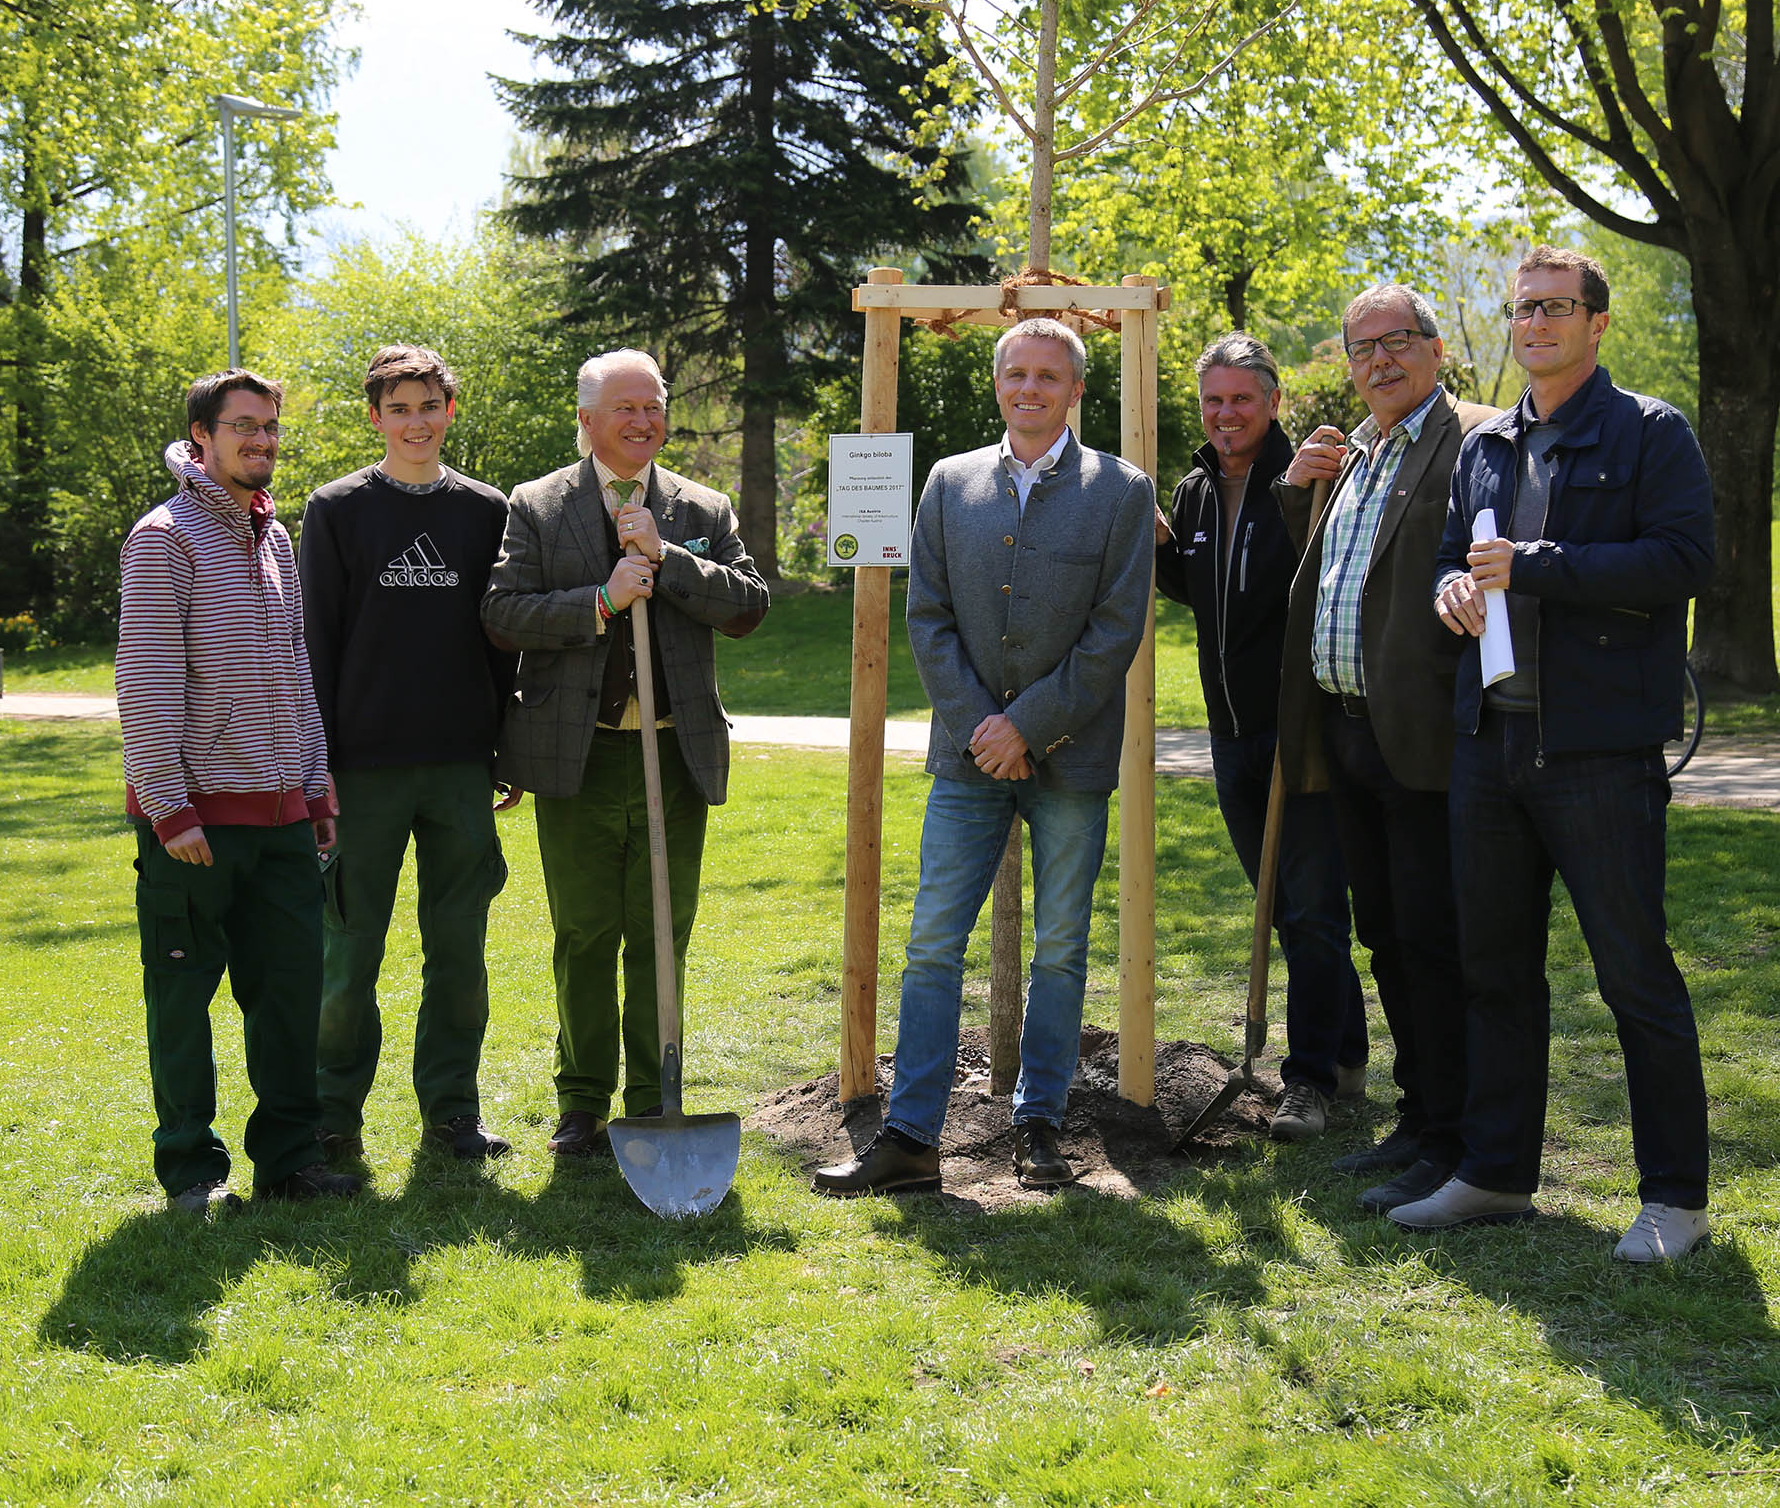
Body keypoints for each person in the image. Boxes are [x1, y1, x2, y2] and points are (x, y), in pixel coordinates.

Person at [1392, 244, 1717, 1264]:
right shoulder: (1487, 446)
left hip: (1599, 752)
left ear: (1596, 323)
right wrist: (1454, 587)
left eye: (1554, 308)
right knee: (1492, 970)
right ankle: (1492, 1173)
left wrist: (1535, 566)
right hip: (1490, 742)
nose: (1534, 323)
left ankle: (1675, 1199)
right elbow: (1456, 556)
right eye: (1522, 308)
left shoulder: (1650, 431)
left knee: (1635, 977)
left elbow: (1682, 561)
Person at [814, 317, 1156, 1197]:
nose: (1030, 388)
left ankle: (1041, 1126)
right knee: (931, 945)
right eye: (1016, 374)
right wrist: (982, 726)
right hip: (968, 760)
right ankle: (911, 1136)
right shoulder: (947, 481)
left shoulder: (1121, 491)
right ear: (997, 383)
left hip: (1072, 760)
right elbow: (926, 612)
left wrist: (1028, 726)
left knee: (1061, 948)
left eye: (1049, 375)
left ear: (1077, 390)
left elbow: (1115, 631)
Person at [480, 349, 769, 1160]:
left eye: (654, 405)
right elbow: (503, 613)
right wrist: (603, 599)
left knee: (660, 932)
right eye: (625, 408)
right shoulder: (538, 506)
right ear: (587, 419)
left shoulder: (701, 508)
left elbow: (749, 606)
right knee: (584, 933)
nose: (643, 420)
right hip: (582, 758)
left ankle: (652, 1095)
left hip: (674, 757)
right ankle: (581, 1102)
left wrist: (669, 560)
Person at [117, 367, 360, 1213]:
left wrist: (316, 787)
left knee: (289, 998)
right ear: (202, 437)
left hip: (283, 818)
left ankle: (291, 1162)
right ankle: (191, 1171)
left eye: (269, 427)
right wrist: (168, 805)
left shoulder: (275, 539)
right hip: (194, 825)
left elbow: (296, 672)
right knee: (183, 1001)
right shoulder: (164, 538)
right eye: (243, 426)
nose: (261, 441)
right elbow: (145, 684)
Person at [1273, 287, 1497, 1205]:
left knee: (1435, 941)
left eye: (1398, 341)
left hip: (1428, 741)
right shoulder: (1356, 455)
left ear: (1436, 351)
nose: (1380, 361)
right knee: (1388, 940)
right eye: (1362, 347)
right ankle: (1419, 1119)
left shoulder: (1473, 440)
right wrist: (1298, 495)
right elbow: (1341, 575)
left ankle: (1457, 1137)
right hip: (1350, 738)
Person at [299, 345, 520, 1166]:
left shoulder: (485, 510)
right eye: (399, 408)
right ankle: (332, 1114)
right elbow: (313, 641)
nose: (415, 421)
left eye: (428, 405)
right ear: (376, 416)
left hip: (460, 764)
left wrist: (504, 750)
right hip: (360, 768)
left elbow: (504, 640)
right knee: (350, 952)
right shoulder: (336, 509)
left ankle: (453, 1112)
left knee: (459, 951)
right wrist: (315, 761)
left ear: (449, 411)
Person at [1154, 330, 1361, 1144]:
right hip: (1229, 731)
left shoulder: (1311, 481)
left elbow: (1317, 579)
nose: (1226, 413)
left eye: (1242, 398)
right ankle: (1345, 1049)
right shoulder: (1197, 490)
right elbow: (1203, 593)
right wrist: (1160, 545)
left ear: (1273, 401)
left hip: (1299, 731)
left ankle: (1306, 1079)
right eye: (1213, 400)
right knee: (1282, 907)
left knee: (1312, 910)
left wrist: (1302, 488)